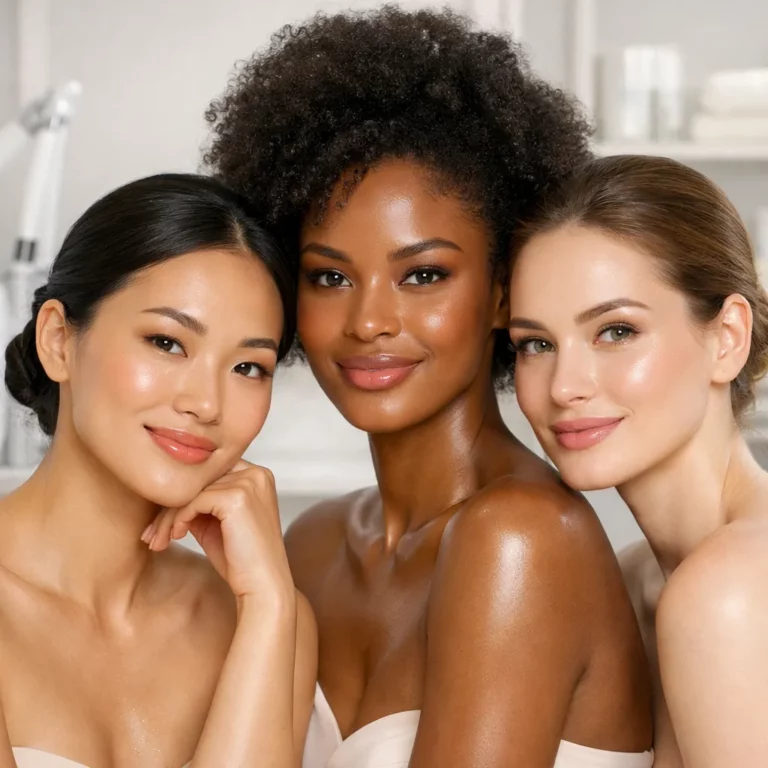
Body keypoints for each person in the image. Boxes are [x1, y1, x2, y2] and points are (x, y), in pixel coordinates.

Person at [205, 8, 653, 767]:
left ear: (505, 291)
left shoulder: (519, 538)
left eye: (423, 275)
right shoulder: (311, 548)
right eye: (330, 276)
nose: (370, 320)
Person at [0, 173, 316, 768]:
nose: (207, 403)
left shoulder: (264, 618)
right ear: (59, 341)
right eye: (167, 342)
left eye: (249, 367)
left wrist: (271, 606)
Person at [507, 153, 768, 767]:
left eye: (616, 331)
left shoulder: (726, 591)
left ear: (727, 337)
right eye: (536, 344)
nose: (565, 385)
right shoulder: (633, 580)